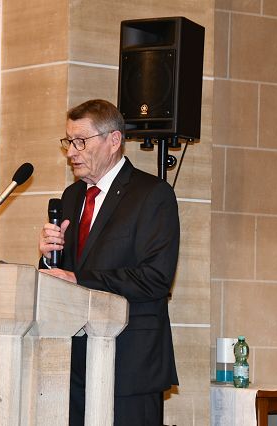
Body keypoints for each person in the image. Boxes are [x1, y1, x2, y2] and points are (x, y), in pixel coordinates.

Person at [38, 99, 179, 425]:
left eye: (80, 141)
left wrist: (79, 280)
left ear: (114, 140)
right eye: (68, 141)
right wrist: (47, 258)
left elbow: (155, 278)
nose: (71, 152)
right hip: (74, 364)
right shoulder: (72, 196)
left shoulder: (152, 194)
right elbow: (64, 273)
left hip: (130, 363)